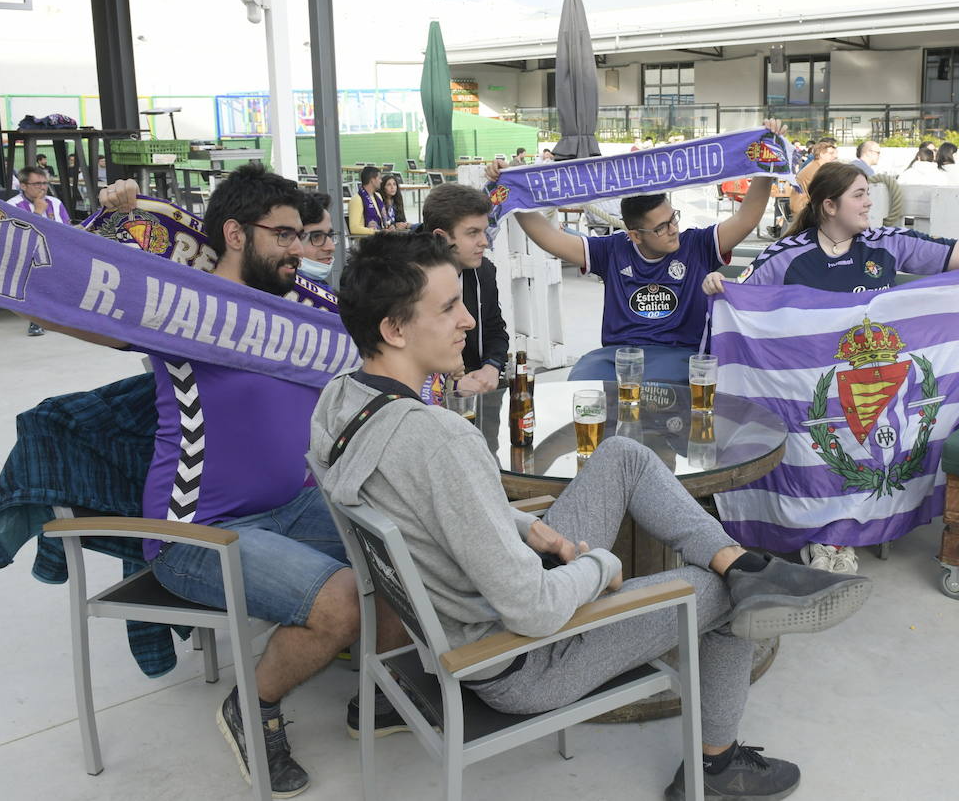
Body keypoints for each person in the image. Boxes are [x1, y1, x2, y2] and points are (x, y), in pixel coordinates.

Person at [310, 230, 871, 801]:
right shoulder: (438, 439)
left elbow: (435, 511)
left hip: (470, 607)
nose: (468, 322)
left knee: (623, 455)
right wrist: (600, 564)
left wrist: (531, 528)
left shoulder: (341, 403)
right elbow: (531, 607)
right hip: (516, 661)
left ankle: (742, 562)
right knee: (723, 595)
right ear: (394, 328)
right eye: (449, 307)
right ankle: (718, 763)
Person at [0, 165, 413, 798]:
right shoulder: (182, 310)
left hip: (291, 507)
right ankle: (252, 704)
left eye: (303, 235)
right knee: (340, 600)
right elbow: (68, 299)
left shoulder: (305, 318)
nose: (299, 249)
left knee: (404, 543)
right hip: (197, 534)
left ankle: (382, 689)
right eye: (284, 235)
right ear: (235, 232)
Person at [702, 161, 959, 572]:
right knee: (816, 442)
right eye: (858, 195)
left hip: (881, 387)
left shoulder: (887, 243)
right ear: (829, 206)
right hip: (812, 391)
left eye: (867, 193)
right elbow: (741, 298)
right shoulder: (787, 256)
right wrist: (718, 286)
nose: (868, 202)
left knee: (899, 435)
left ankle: (853, 529)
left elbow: (958, 252)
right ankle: (826, 537)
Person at [485, 118, 787, 383]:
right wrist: (515, 197)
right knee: (578, 382)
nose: (673, 229)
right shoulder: (614, 249)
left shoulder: (697, 244)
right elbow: (550, 238)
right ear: (634, 235)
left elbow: (746, 219)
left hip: (679, 356)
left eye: (673, 219)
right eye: (661, 227)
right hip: (618, 356)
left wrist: (764, 166)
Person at [419, 183, 508, 394]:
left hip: (474, 384)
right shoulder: (407, 278)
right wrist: (453, 385)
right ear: (441, 237)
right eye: (472, 233)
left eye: (484, 231)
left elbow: (495, 331)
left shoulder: (483, 271)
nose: (484, 242)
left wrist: (491, 367)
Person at [5, 166, 70, 336]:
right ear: (23, 185)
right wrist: (38, 212)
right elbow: (19, 237)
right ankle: (37, 320)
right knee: (36, 267)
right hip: (27, 253)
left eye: (44, 183)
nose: (42, 187)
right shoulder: (12, 205)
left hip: (57, 250)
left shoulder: (55, 203)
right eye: (37, 184)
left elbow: (67, 229)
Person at [790, 138, 838, 214]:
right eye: (831, 153)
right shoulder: (816, 170)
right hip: (805, 212)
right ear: (822, 154)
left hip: (806, 208)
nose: (835, 156)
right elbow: (825, 194)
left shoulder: (816, 166)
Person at [348, 165, 389, 236]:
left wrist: (389, 227)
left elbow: (383, 221)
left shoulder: (378, 196)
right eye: (379, 178)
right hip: (367, 242)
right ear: (372, 180)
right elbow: (354, 228)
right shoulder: (357, 199)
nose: (381, 181)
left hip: (380, 239)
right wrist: (376, 232)